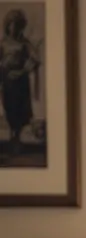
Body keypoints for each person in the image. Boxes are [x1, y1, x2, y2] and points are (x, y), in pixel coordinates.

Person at [0, 9, 40, 158]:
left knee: (20, 110)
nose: (13, 28)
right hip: (7, 82)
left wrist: (22, 71)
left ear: (21, 26)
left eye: (17, 25)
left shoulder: (25, 43)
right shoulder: (3, 43)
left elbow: (35, 59)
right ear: (7, 25)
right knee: (9, 109)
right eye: (11, 24)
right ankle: (12, 136)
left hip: (20, 83)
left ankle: (16, 139)